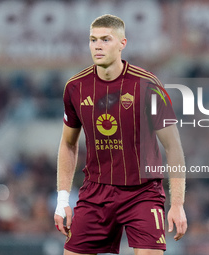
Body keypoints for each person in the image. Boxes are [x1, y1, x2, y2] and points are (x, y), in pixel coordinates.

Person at [54, 14, 187, 255]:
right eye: (93, 40)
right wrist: (63, 200)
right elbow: (67, 144)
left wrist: (177, 204)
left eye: (106, 39)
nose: (98, 46)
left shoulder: (149, 85)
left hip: (142, 193)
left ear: (122, 44)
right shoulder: (75, 87)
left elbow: (173, 147)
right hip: (95, 191)